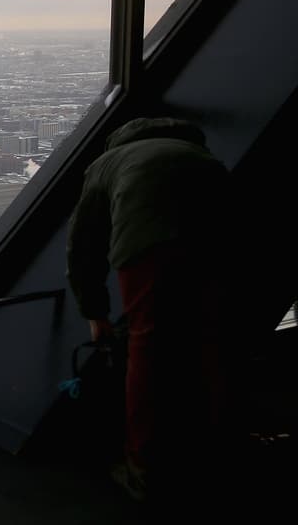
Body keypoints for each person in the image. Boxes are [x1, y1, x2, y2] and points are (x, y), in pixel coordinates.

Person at [66, 115, 230, 506]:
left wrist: (96, 314)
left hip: (149, 249)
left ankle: (144, 469)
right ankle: (218, 451)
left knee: (147, 350)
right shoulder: (198, 154)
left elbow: (83, 245)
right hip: (221, 247)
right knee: (212, 346)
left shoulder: (108, 162)